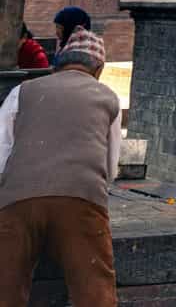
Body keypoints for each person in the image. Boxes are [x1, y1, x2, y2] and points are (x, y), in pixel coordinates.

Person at [0, 29, 120, 307]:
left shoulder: (23, 91)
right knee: (94, 292)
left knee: (6, 287)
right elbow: (110, 167)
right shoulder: (107, 97)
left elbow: (3, 151)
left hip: (18, 201)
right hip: (81, 198)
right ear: (98, 68)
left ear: (58, 63)